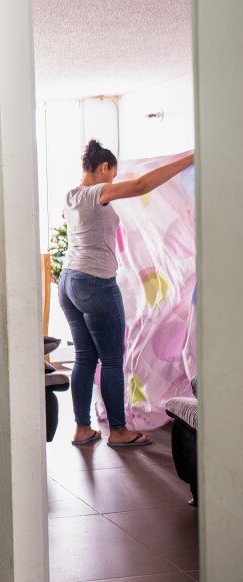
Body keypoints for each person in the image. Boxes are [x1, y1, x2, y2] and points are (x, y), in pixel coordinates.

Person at [59, 139, 194, 448]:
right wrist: (187, 160)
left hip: (69, 281)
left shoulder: (71, 195)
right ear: (104, 167)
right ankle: (119, 431)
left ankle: (82, 428)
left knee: (83, 357)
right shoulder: (97, 193)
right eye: (112, 174)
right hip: (94, 282)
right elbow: (142, 185)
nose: (113, 181)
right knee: (111, 359)